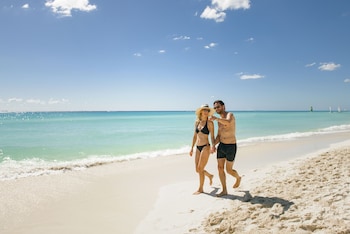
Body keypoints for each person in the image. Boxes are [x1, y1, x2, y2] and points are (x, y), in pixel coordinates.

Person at [210, 100, 241, 197]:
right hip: (222, 146)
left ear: (223, 106)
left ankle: (238, 178)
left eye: (218, 107)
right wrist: (213, 145)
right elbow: (219, 135)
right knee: (219, 168)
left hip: (231, 146)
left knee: (229, 170)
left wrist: (215, 119)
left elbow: (227, 122)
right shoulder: (219, 121)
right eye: (215, 108)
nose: (216, 109)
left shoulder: (230, 115)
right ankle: (224, 190)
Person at [189, 104, 216, 195]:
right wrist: (192, 148)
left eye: (207, 110)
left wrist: (213, 146)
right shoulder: (197, 122)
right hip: (198, 147)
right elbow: (194, 136)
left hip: (206, 146)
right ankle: (209, 175)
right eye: (204, 110)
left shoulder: (210, 123)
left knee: (200, 168)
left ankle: (200, 189)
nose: (206, 112)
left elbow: (212, 136)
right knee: (197, 169)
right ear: (201, 111)